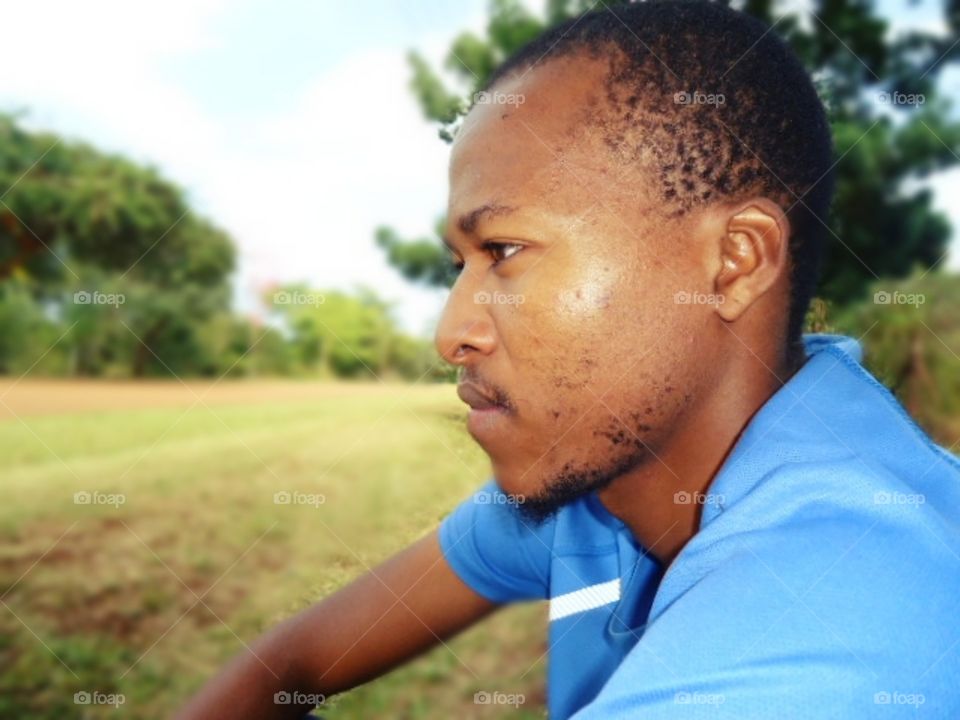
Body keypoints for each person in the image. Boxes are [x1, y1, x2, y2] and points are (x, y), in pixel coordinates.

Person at [176, 2, 960, 717]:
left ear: (734, 261)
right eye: (462, 265)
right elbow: (292, 659)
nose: (451, 335)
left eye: (505, 251)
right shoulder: (609, 476)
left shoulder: (845, 606)